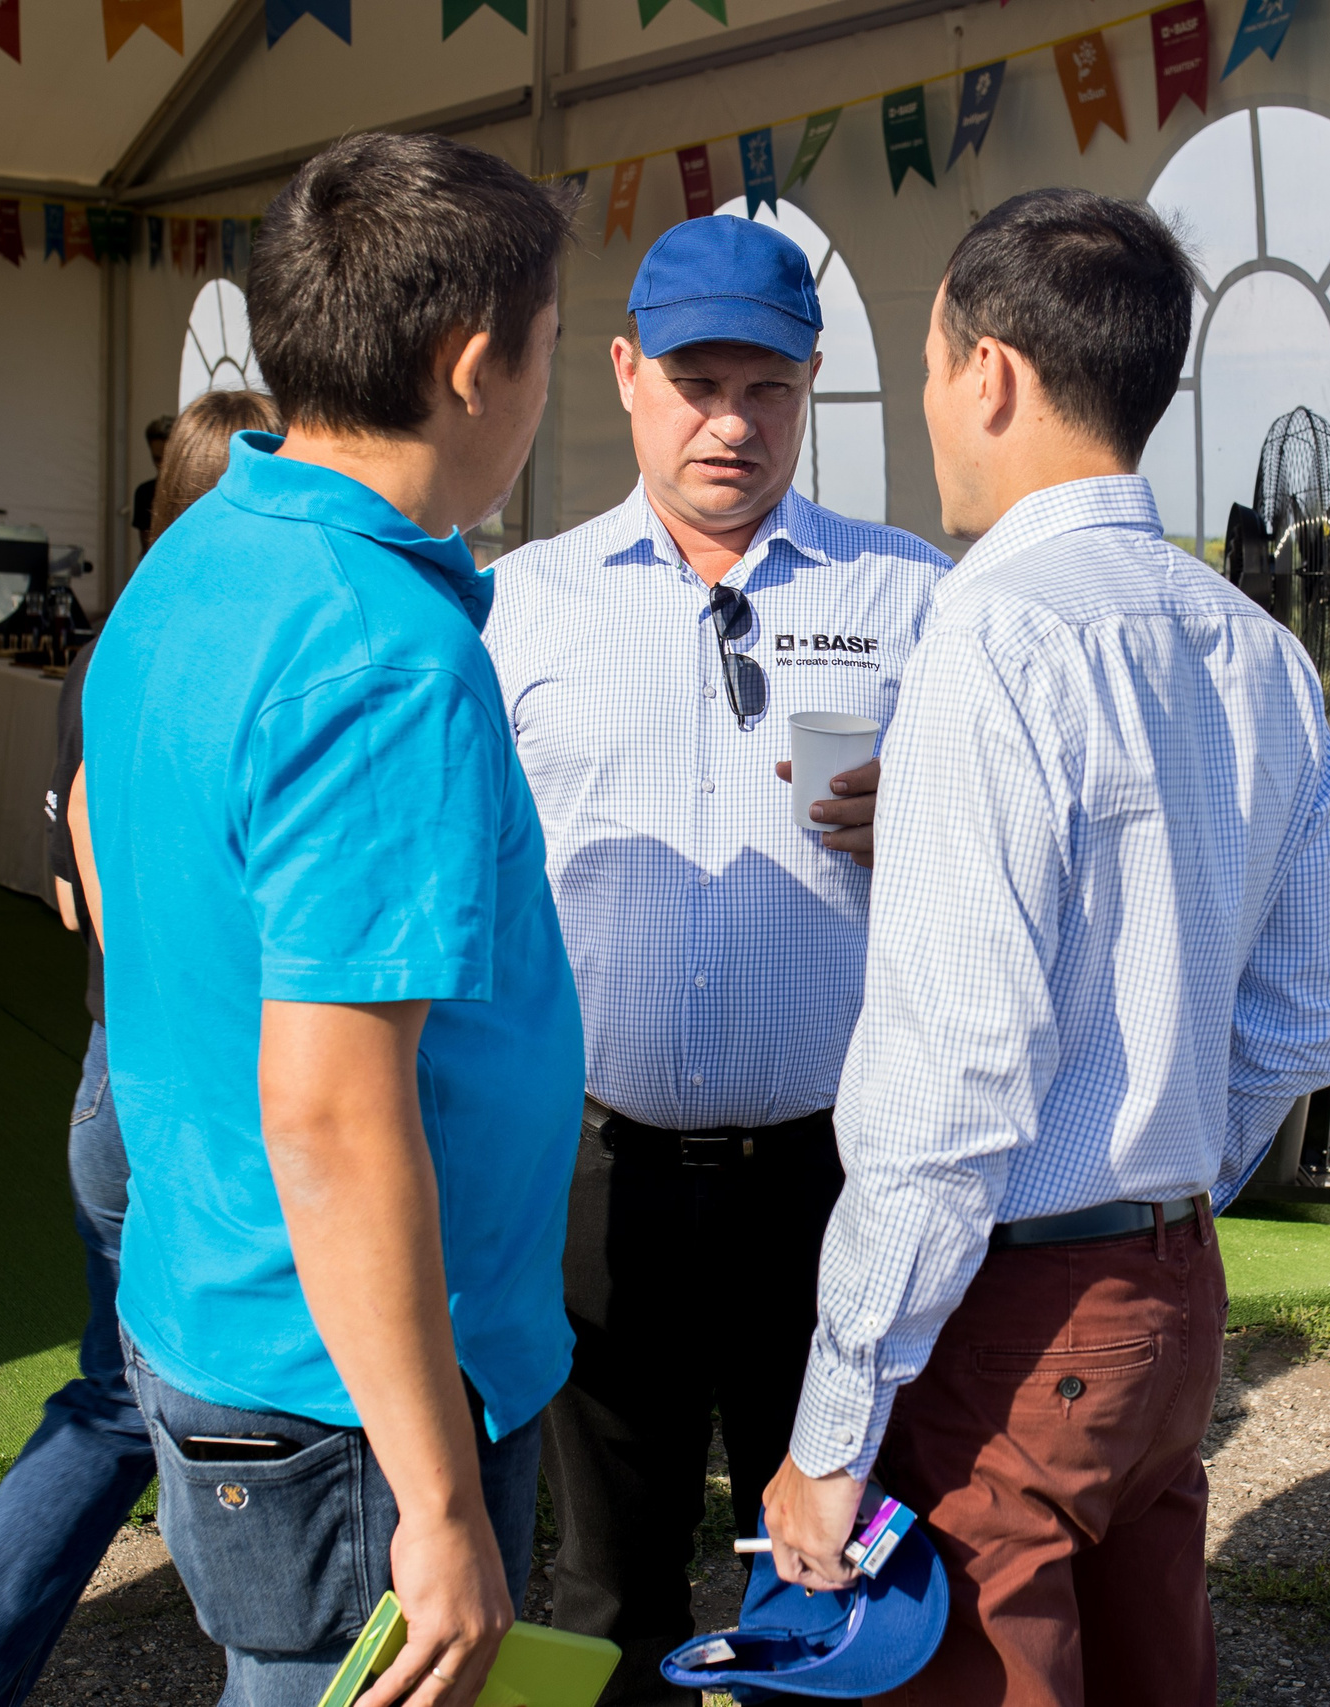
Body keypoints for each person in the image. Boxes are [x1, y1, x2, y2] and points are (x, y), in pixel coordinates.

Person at [761, 189, 1330, 1705]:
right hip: (1173, 1282)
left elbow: (954, 1081)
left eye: (926, 367)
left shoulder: (990, 635)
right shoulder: (1259, 649)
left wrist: (831, 1428)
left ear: (991, 372)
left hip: (1018, 1313)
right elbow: (1298, 1021)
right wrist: (1154, 1179)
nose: (927, 409)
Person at [82, 133, 582, 1707]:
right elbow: (334, 1107)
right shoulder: (378, 650)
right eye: (552, 343)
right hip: (351, 1389)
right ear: (476, 362)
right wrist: (436, 1499)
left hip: (226, 1299)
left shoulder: (200, 553)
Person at [484, 215, 950, 1705]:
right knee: (601, 1578)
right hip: (597, 1170)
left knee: (820, 1569)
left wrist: (930, 821)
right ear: (624, 373)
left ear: (812, 388)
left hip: (828, 1173)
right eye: (697, 384)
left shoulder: (913, 598)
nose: (732, 424)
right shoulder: (524, 605)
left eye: (769, 389)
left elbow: (1008, 877)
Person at [0, 388, 282, 1707]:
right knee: (268, 1404)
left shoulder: (113, 653)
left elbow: (70, 897)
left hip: (116, 1073)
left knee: (120, 1398)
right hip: (217, 1082)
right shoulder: (263, 651)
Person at [130, 415, 174, 550]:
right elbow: (146, 548)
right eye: (157, 459)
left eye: (168, 459)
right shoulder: (145, 493)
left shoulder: (196, 491)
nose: (162, 466)